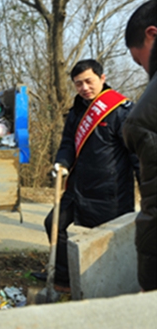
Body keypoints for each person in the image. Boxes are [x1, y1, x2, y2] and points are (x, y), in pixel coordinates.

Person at [43, 59, 139, 291]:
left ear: (102, 78)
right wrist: (61, 163)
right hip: (78, 187)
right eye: (78, 84)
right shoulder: (77, 110)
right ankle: (65, 279)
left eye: (89, 81)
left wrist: (146, 185)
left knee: (108, 243)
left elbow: (136, 152)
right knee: (54, 224)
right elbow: (68, 143)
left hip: (110, 190)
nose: (84, 87)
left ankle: (107, 286)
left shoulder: (121, 111)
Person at [123, 0, 157, 292]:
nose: (145, 71)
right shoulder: (76, 113)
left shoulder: (139, 113)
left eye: (140, 60)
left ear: (152, 34)